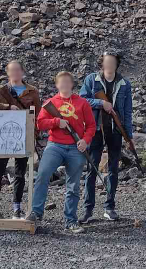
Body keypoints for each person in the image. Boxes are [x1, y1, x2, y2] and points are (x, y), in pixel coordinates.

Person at [28, 71, 96, 234]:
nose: (64, 84)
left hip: (75, 147)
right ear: (57, 85)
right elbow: (40, 124)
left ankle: (70, 220)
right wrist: (57, 122)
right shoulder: (50, 102)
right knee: (43, 174)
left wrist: (85, 141)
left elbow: (92, 126)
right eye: (61, 82)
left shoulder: (83, 103)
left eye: (67, 81)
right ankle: (36, 212)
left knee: (73, 185)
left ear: (72, 84)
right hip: (55, 145)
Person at [0, 60, 42, 219]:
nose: (15, 73)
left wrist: (34, 135)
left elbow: (38, 115)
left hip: (23, 137)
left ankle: (17, 207)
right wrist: (7, 107)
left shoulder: (32, 92)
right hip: (3, 137)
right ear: (7, 73)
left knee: (20, 173)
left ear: (22, 72)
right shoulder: (0, 89)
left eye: (17, 70)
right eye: (11, 70)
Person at [78, 51, 133, 223]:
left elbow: (128, 111)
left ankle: (109, 207)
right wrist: (101, 103)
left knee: (113, 170)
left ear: (117, 64)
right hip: (95, 130)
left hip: (115, 130)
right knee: (92, 169)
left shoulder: (124, 84)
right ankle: (88, 209)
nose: (109, 65)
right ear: (102, 63)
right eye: (107, 62)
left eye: (113, 62)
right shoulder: (91, 80)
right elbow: (82, 100)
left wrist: (128, 136)